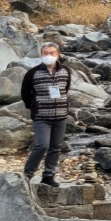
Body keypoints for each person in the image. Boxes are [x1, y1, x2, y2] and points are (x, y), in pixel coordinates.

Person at [20, 41, 71, 187]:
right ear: (41, 54)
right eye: (46, 53)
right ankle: (27, 174)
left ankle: (48, 175)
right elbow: (25, 93)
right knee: (42, 145)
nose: (49, 56)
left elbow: (66, 89)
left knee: (55, 147)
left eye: (52, 53)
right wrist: (33, 106)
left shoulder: (66, 71)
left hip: (61, 116)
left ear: (58, 54)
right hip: (41, 117)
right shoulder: (32, 73)